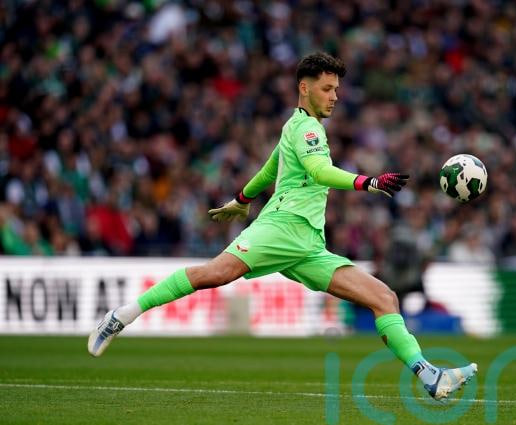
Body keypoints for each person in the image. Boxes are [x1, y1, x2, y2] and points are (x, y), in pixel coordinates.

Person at [88, 52, 476, 400]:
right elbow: (319, 170)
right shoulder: (308, 130)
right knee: (215, 274)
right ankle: (121, 315)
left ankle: (430, 376)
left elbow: (270, 168)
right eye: (327, 89)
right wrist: (368, 182)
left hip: (309, 245)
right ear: (304, 88)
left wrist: (241, 201)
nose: (335, 96)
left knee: (384, 298)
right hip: (280, 228)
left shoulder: (297, 126)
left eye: (336, 89)